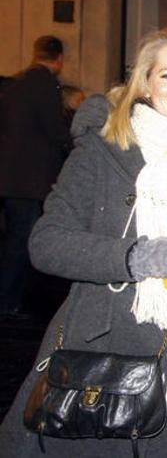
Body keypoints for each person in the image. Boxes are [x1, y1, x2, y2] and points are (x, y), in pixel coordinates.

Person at [0, 27, 167, 457]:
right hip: (93, 345)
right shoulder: (104, 147)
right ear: (146, 83)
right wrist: (136, 257)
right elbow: (45, 243)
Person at [0, 36, 72, 317]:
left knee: (14, 238)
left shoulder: (15, 84)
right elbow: (55, 130)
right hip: (31, 180)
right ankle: (9, 302)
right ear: (59, 58)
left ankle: (10, 300)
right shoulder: (46, 85)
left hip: (11, 177)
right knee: (22, 241)